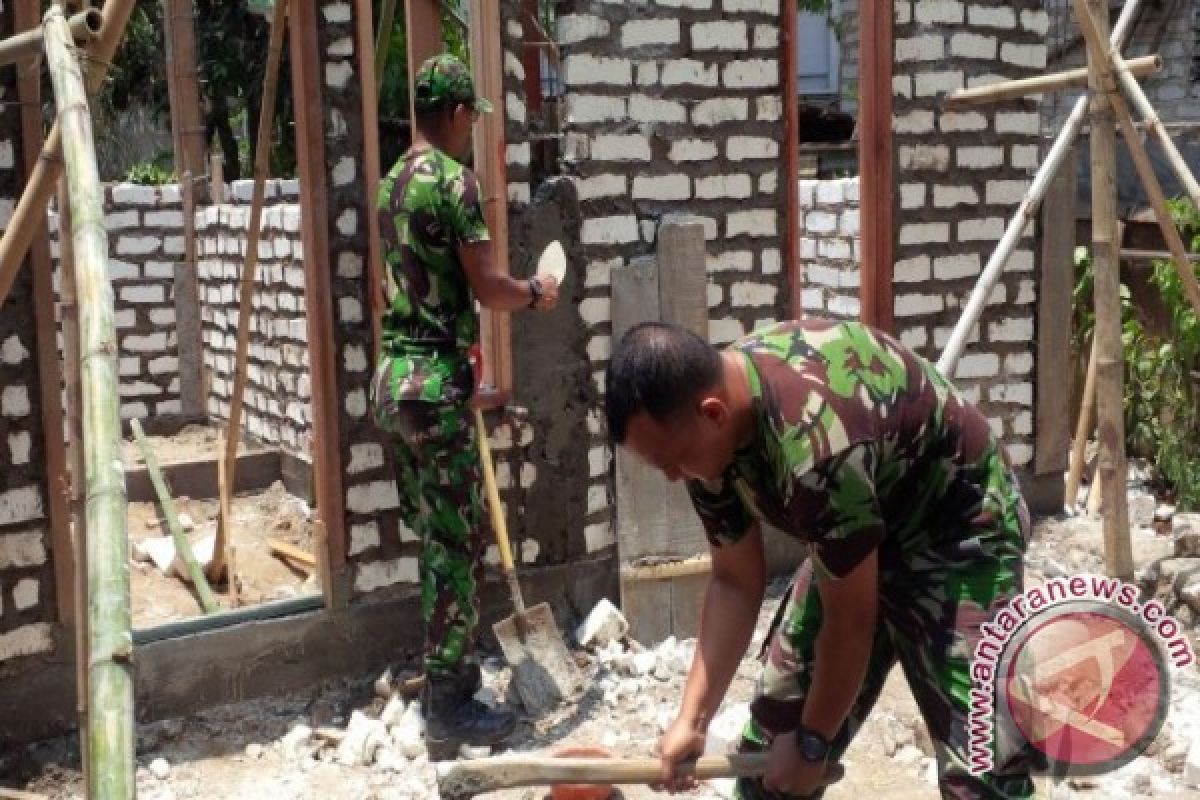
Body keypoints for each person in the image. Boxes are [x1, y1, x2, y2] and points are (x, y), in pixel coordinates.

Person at [605, 318, 1035, 799]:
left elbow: (851, 619)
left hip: (958, 535)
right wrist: (692, 720)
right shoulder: (705, 425)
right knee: (770, 753)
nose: (671, 475)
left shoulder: (814, 444)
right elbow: (734, 581)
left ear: (713, 413)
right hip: (856, 537)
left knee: (982, 776)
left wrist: (814, 744)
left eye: (674, 460)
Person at [370, 53, 559, 758]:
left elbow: (410, 286)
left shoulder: (391, 183)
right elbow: (488, 288)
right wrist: (535, 292)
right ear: (454, 117)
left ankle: (451, 672)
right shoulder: (455, 183)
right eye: (469, 119)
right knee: (459, 546)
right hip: (435, 388)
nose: (470, 132)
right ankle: (449, 704)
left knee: (437, 542)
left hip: (396, 382)